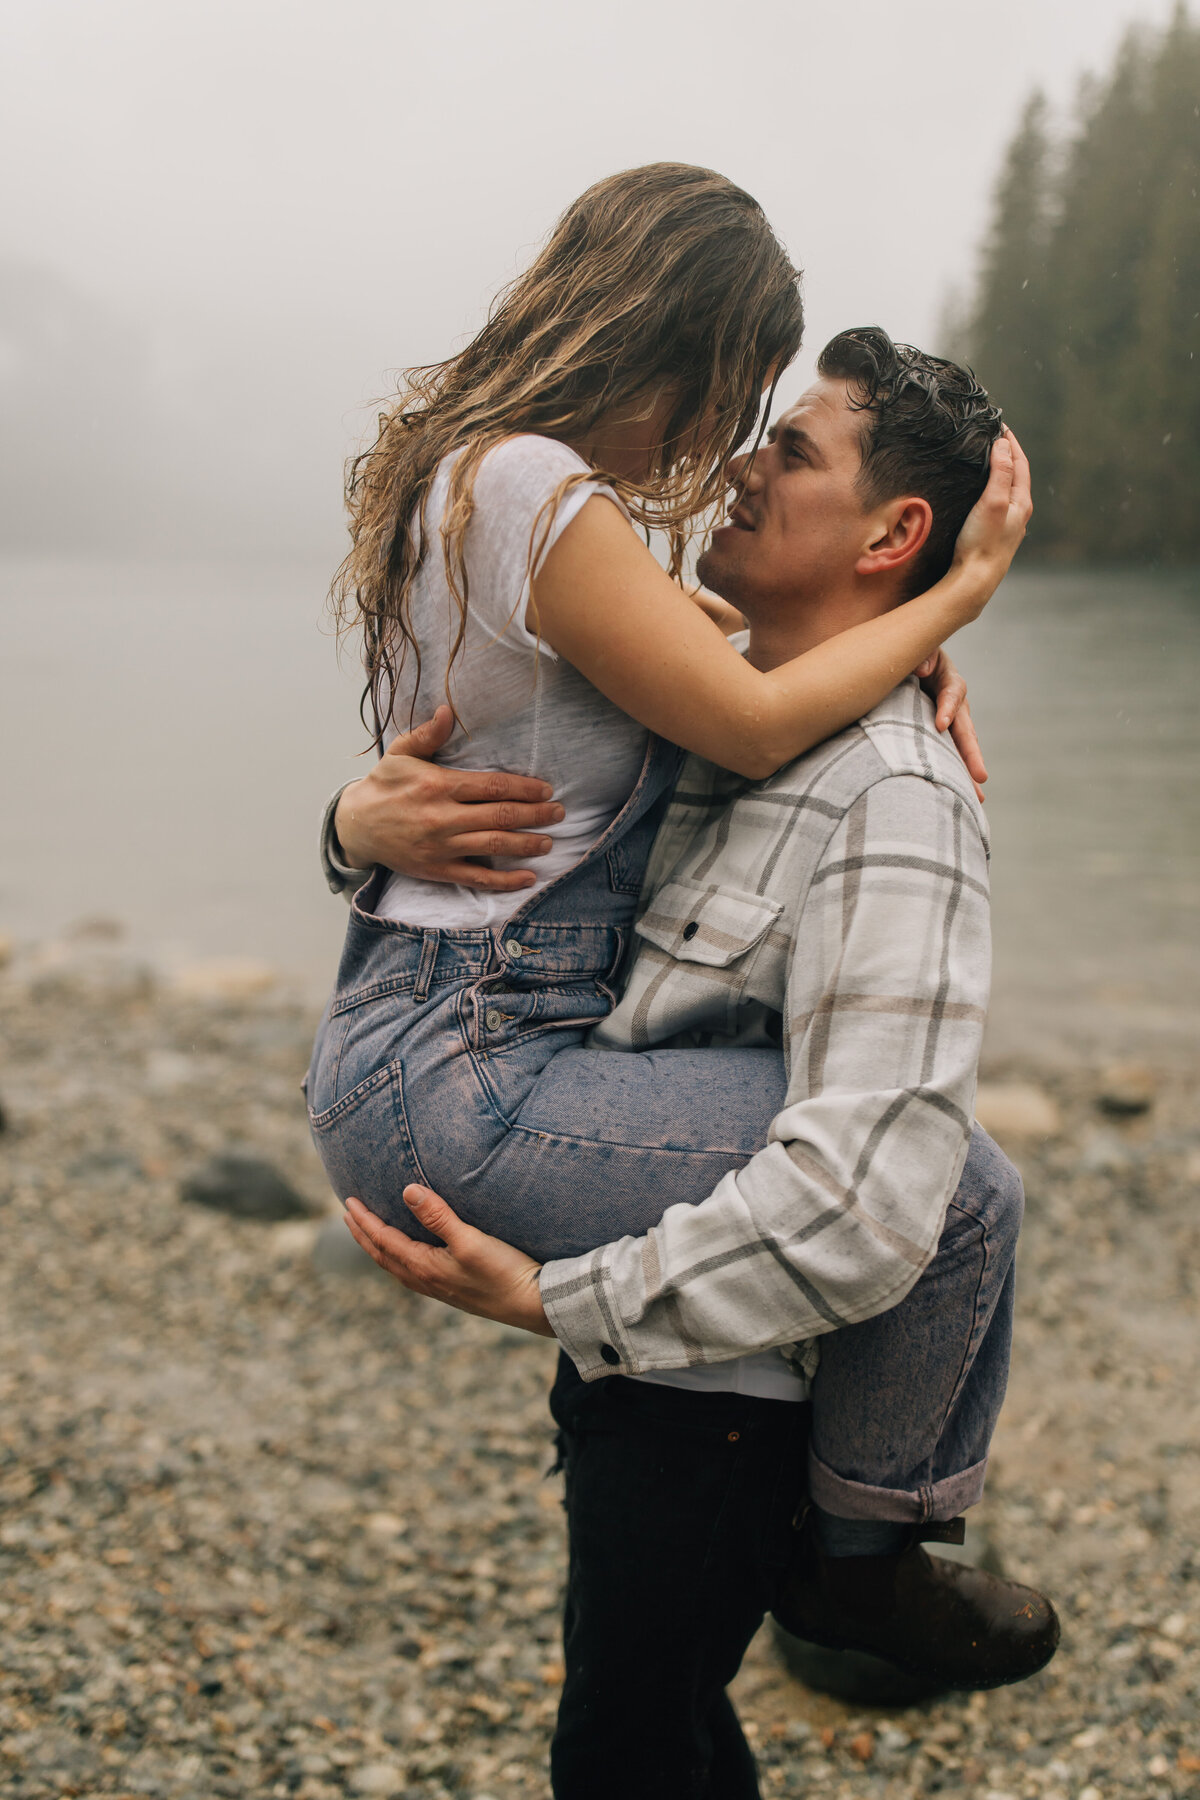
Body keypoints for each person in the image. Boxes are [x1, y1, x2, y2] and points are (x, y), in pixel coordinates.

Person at [327, 328, 1053, 1799]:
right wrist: (353, 821)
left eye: (793, 451)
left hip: (738, 1377)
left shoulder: (895, 793)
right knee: (638, 1723)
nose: (741, 465)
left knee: (628, 1740)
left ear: (895, 532)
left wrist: (552, 1298)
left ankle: (877, 1547)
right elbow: (483, 859)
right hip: (645, 1347)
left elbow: (866, 1194)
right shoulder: (701, 706)